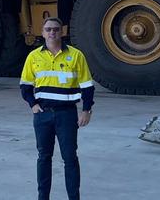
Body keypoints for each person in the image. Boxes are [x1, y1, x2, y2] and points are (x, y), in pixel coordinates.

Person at [20, 17, 95, 200]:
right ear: (43, 32)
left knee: (70, 158)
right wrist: (33, 105)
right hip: (43, 115)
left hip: (67, 115)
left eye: (55, 29)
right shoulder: (34, 56)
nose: (52, 32)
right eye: (48, 29)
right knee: (44, 157)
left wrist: (86, 110)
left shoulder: (76, 55)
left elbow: (87, 86)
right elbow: (25, 85)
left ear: (62, 31)